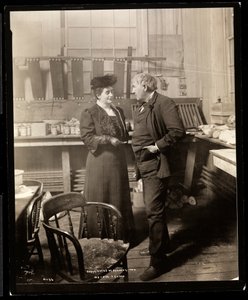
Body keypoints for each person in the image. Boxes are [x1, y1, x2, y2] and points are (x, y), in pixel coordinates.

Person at [131, 73, 186, 281]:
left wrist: (156, 146)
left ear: (145, 85)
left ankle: (158, 262)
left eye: (135, 85)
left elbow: (178, 131)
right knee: (156, 210)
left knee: (153, 212)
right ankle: (163, 245)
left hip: (157, 165)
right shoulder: (144, 106)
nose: (133, 89)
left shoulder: (164, 103)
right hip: (144, 165)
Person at [80, 74, 135, 243]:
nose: (111, 95)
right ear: (98, 94)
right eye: (107, 93)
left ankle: (119, 237)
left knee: (118, 194)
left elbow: (123, 134)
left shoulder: (119, 111)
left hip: (117, 160)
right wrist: (108, 139)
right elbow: (87, 137)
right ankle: (99, 237)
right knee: (100, 195)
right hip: (99, 161)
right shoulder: (89, 113)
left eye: (112, 92)